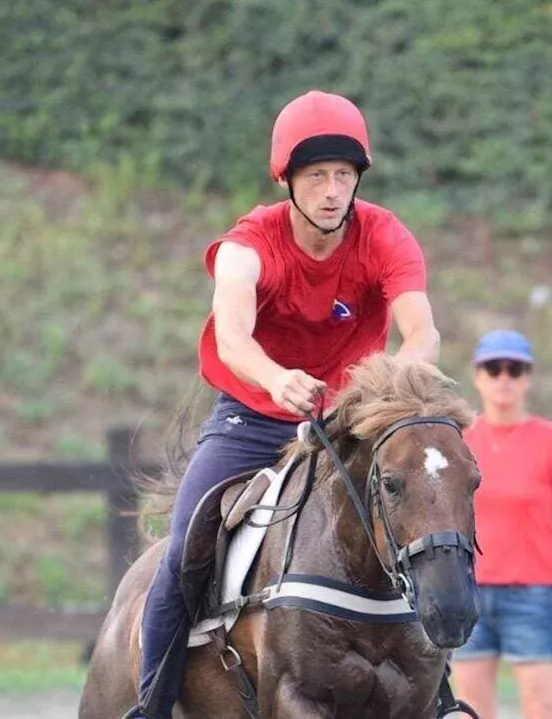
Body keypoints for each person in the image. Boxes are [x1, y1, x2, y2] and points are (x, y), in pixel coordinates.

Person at [124, 89, 442, 719]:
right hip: (252, 417)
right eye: (317, 175)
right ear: (287, 181)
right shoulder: (249, 245)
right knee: (186, 549)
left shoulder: (384, 235)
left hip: (349, 419)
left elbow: (424, 334)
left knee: (429, 516)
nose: (332, 190)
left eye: (345, 175)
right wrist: (276, 379)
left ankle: (441, 696)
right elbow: (233, 339)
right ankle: (151, 705)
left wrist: (384, 390)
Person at [450, 329, 552, 719]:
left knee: (541, 710)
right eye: (493, 368)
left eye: (514, 369)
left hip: (531, 594)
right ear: (477, 375)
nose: (504, 378)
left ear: (528, 377)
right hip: (468, 592)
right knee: (472, 712)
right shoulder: (458, 441)